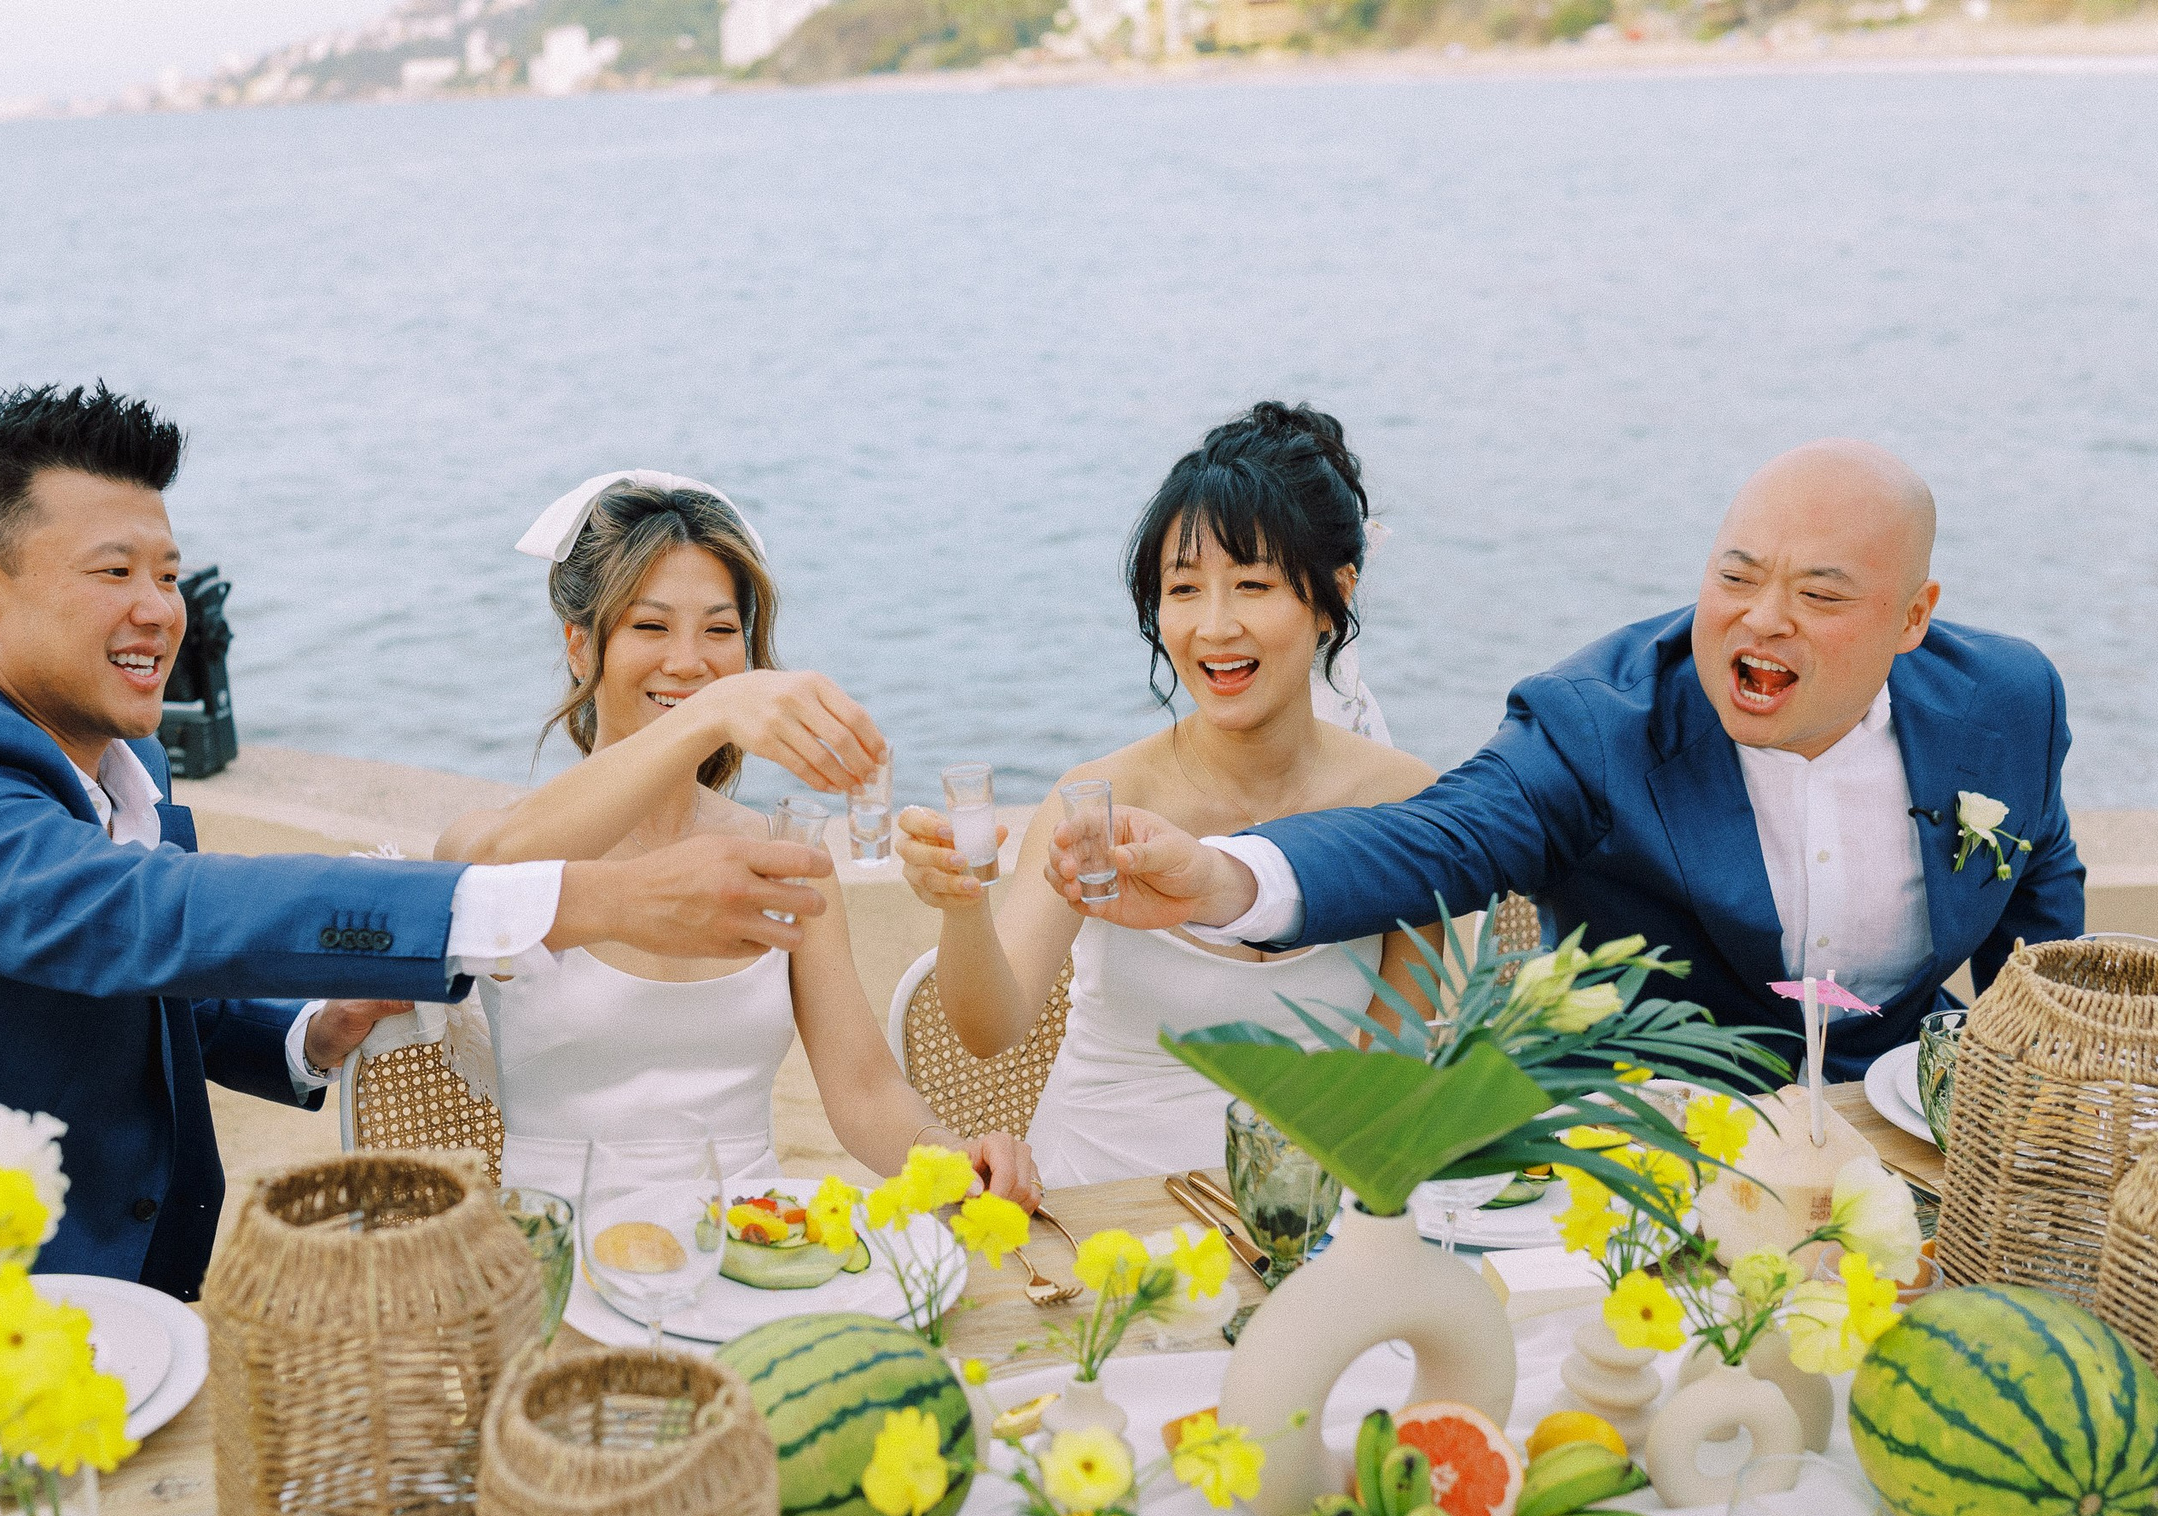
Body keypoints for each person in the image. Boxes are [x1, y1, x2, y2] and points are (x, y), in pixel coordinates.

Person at [0, 390, 832, 1301]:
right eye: (112, 573)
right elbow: (147, 917)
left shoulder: (128, 770)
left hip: (82, 1316)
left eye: (167, 574)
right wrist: (578, 903)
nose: (159, 609)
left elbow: (155, 978)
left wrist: (316, 1028)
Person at [1049, 438, 2087, 1081]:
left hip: (1895, 1120)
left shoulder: (2004, 703)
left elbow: (2039, 878)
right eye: (1734, 577)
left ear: (1912, 619)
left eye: (1818, 596)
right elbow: (1436, 838)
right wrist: (1223, 876)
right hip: (1641, 1146)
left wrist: (2002, 1087)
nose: (1760, 621)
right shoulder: (1598, 723)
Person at [429, 471, 1040, 1208]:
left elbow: (864, 1091)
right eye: (650, 627)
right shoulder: (501, 843)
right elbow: (486, 869)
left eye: (720, 631)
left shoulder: (784, 859)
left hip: (750, 1242)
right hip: (558, 1254)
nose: (688, 661)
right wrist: (711, 708)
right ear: (580, 647)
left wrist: (957, 1161)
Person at [895, 404, 1440, 1186]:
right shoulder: (1099, 802)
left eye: (1252, 584)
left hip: (1306, 1207)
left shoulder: (1407, 804)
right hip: (1095, 1208)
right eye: (1183, 589)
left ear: (1332, 596)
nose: (1214, 627)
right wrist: (960, 904)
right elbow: (989, 1028)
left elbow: (1392, 1078)